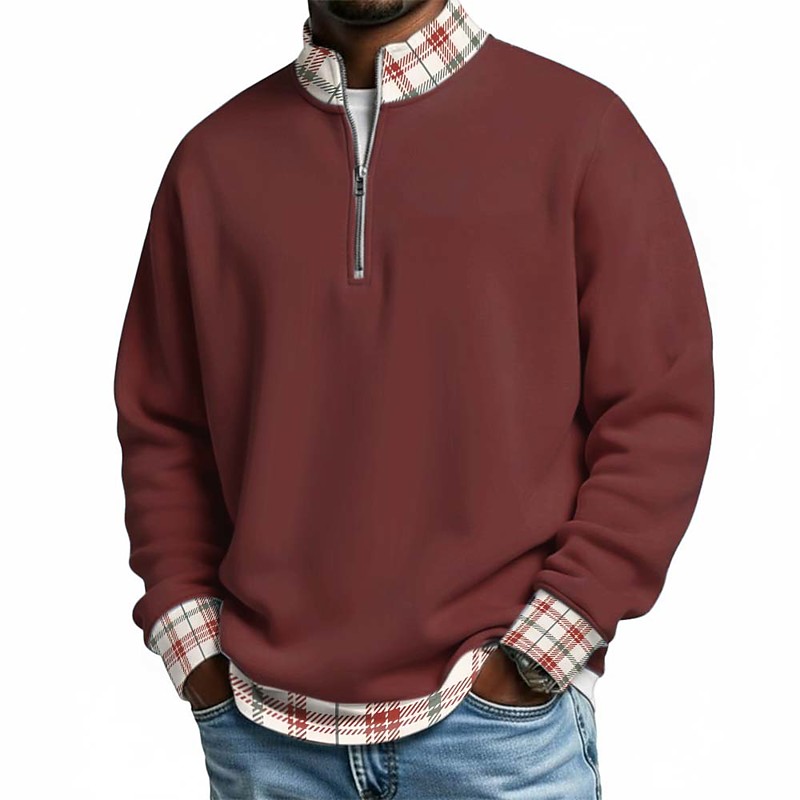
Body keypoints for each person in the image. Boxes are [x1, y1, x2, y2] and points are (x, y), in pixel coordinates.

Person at [113, 0, 715, 797]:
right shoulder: (210, 164)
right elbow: (164, 427)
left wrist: (543, 649)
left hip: (495, 733)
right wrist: (194, 651)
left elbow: (658, 409)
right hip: (265, 735)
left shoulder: (582, 131)